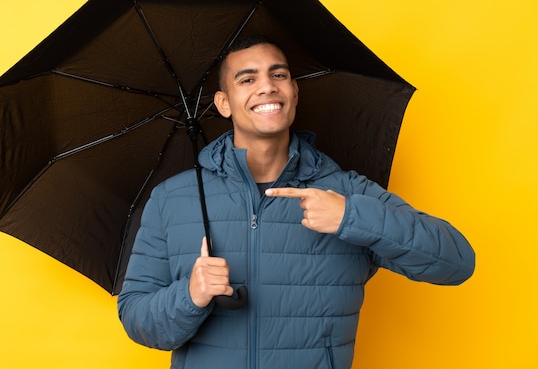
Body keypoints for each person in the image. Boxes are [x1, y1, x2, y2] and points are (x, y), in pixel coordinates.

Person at [117, 35, 475, 369]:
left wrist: (351, 216)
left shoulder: (345, 193)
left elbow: (457, 262)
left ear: (294, 91)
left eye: (279, 74)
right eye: (247, 79)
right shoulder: (172, 199)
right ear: (223, 103)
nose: (267, 86)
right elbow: (137, 319)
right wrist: (190, 294)